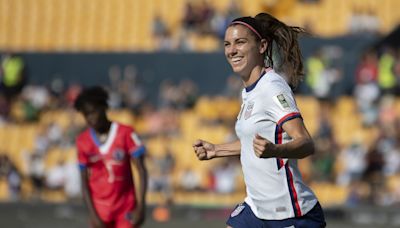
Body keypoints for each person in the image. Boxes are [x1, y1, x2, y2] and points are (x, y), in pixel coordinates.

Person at [193, 13, 326, 227]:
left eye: (240, 42)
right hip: (257, 208)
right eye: (227, 44)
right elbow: (255, 142)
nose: (232, 50)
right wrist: (216, 150)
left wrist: (276, 151)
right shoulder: (248, 92)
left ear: (262, 46)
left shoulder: (272, 87)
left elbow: (306, 143)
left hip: (291, 213)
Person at [74, 86, 148, 228]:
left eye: (93, 112)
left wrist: (141, 207)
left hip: (126, 208)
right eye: (86, 115)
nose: (91, 118)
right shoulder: (82, 141)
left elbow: (141, 170)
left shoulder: (126, 133)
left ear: (104, 107)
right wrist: (93, 216)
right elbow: (84, 182)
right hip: (100, 210)